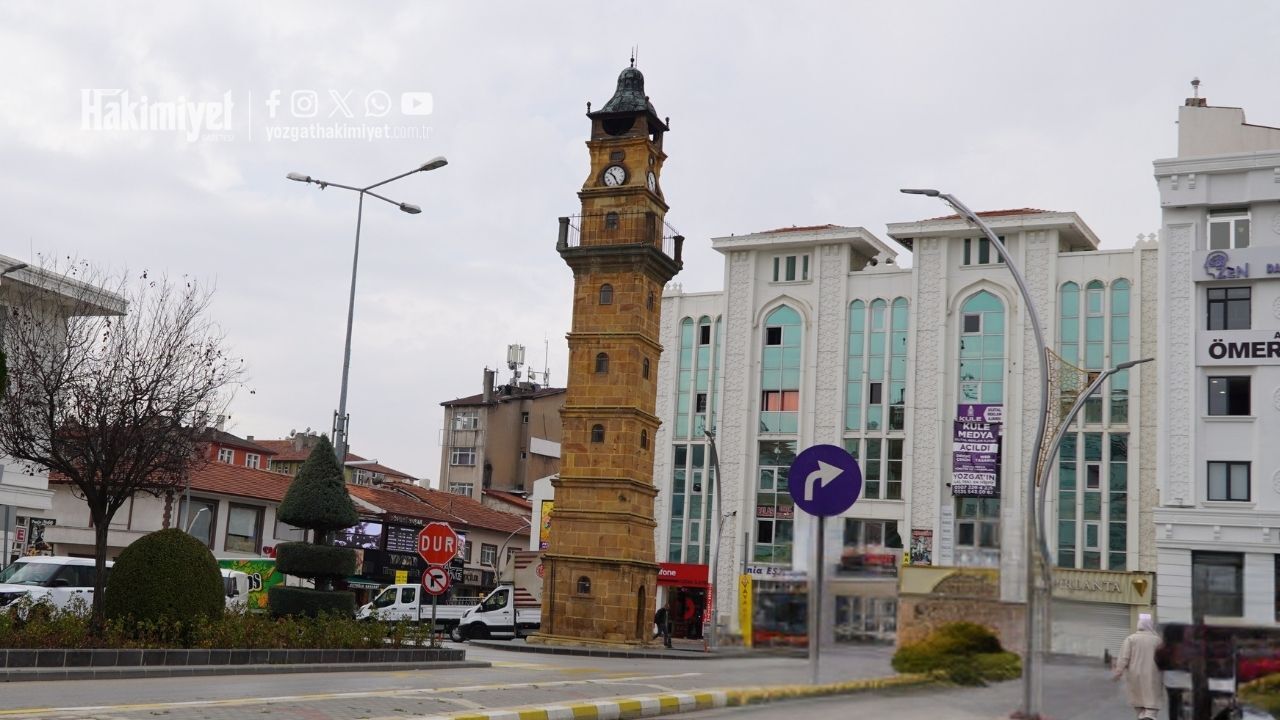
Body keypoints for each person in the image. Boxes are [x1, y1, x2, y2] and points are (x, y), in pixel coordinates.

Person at [1113, 613, 1164, 719]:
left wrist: (1119, 672)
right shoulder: (1158, 641)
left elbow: (1124, 658)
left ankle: (1142, 717)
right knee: (1151, 704)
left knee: (1139, 704)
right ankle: (1148, 717)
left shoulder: (1131, 639)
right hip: (1152, 676)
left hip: (1134, 675)